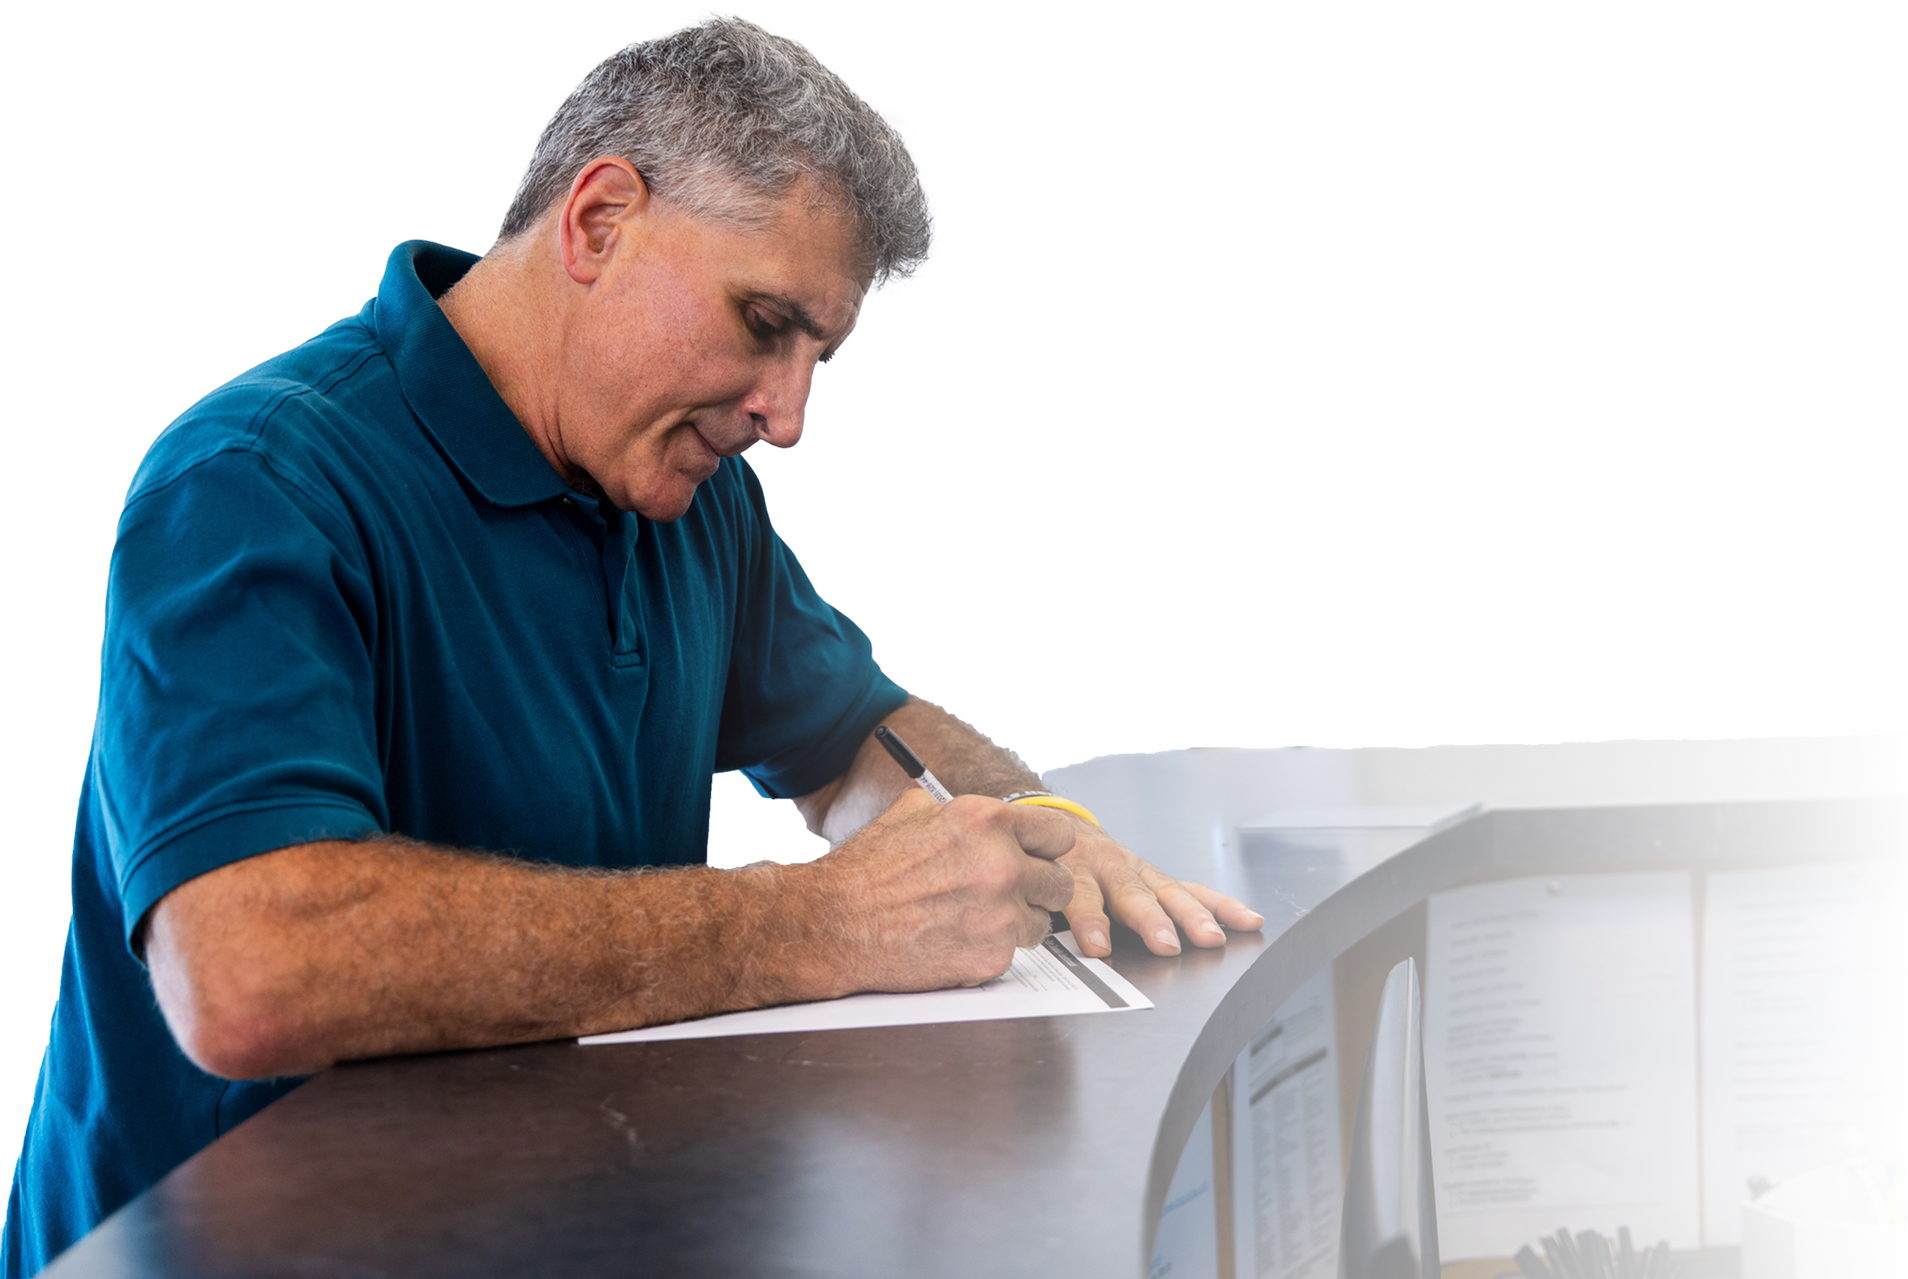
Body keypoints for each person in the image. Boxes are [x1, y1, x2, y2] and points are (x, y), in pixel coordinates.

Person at [1, 15, 1261, 1274]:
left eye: (820, 354)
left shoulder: (687, 496)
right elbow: (251, 969)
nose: (789, 414)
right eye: (765, 322)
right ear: (599, 220)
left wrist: (1038, 830)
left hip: (545, 1217)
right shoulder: (255, 483)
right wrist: (816, 925)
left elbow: (850, 741)